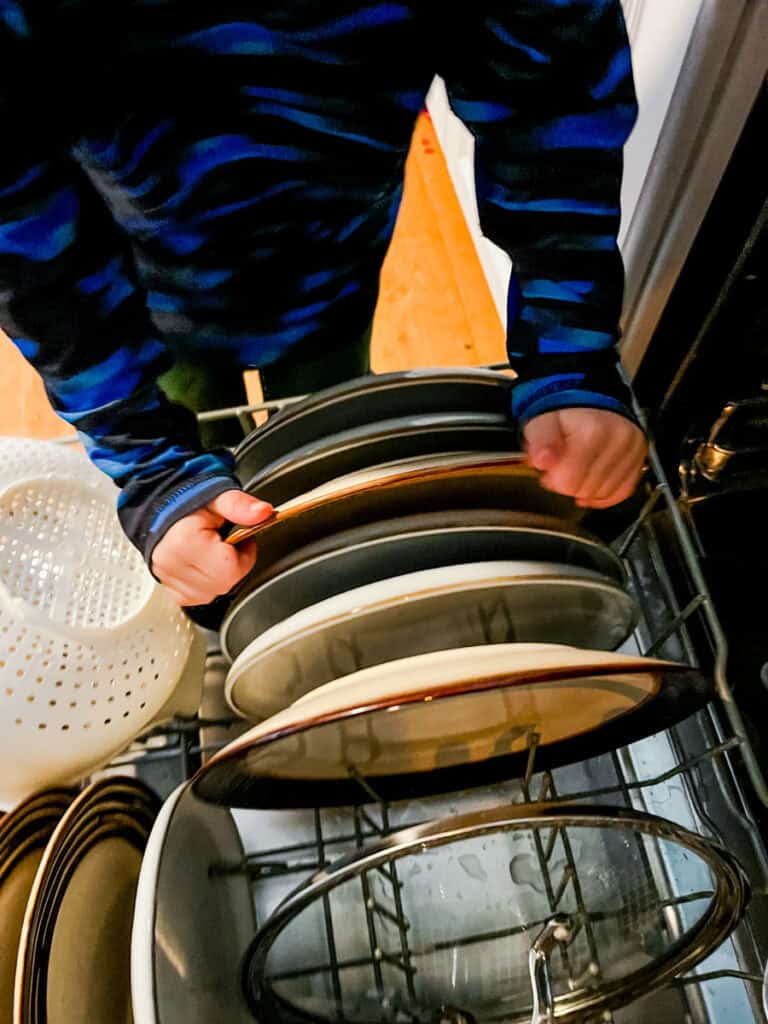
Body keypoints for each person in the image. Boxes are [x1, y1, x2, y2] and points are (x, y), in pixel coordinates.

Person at [0, 1, 646, 608]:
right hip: (147, 287)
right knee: (200, 442)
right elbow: (19, 232)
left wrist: (571, 356)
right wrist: (153, 464)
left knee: (326, 429)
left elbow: (555, 101)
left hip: (338, 262)